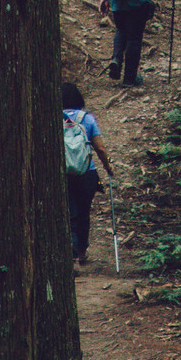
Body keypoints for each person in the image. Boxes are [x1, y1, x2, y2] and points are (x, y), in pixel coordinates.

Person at [62, 81, 113, 267]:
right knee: (84, 213)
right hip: (87, 173)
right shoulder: (87, 119)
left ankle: (71, 253)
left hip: (64, 173)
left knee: (70, 213)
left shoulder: (53, 118)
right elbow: (99, 147)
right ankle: (82, 251)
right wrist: (108, 167)